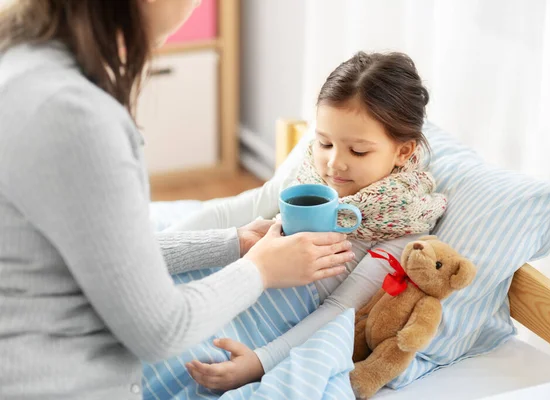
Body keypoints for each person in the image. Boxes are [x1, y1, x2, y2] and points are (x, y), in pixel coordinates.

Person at [0, 1, 354, 399]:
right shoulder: (72, 117)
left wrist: (233, 242)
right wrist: (260, 270)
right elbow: (160, 330)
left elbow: (108, 255)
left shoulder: (23, 63)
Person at [182, 51, 447, 390]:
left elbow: (337, 310)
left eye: (358, 151)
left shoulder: (400, 233)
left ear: (403, 152)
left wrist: (259, 363)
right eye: (324, 142)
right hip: (223, 277)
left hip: (255, 321)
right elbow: (237, 208)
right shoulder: (309, 172)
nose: (334, 163)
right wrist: (154, 250)